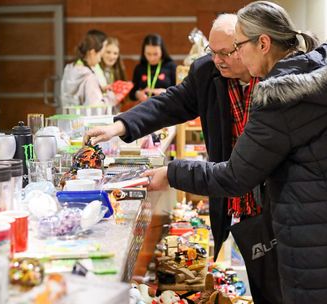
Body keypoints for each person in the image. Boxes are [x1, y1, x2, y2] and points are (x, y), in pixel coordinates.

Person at [140, 2, 327, 303]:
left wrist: (172, 172)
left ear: (264, 44)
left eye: (239, 46)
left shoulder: (280, 100)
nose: (235, 55)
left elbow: (234, 176)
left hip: (322, 259)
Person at [86, 13, 253, 266]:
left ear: (246, 46)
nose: (217, 60)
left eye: (225, 52)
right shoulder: (207, 71)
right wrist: (119, 126)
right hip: (232, 193)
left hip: (272, 199)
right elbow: (169, 104)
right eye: (212, 51)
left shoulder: (270, 78)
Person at [60, 33, 115, 107]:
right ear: (92, 53)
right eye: (100, 55)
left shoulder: (69, 69)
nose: (99, 60)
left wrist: (99, 88)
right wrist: (112, 98)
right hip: (84, 118)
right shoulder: (89, 77)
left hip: (68, 116)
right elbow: (96, 107)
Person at [129, 33, 176, 102]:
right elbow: (131, 94)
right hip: (144, 108)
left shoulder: (171, 66)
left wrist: (165, 92)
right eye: (148, 54)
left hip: (165, 108)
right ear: (143, 52)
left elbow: (178, 92)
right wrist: (138, 94)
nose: (152, 58)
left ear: (162, 51)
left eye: (155, 54)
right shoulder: (139, 68)